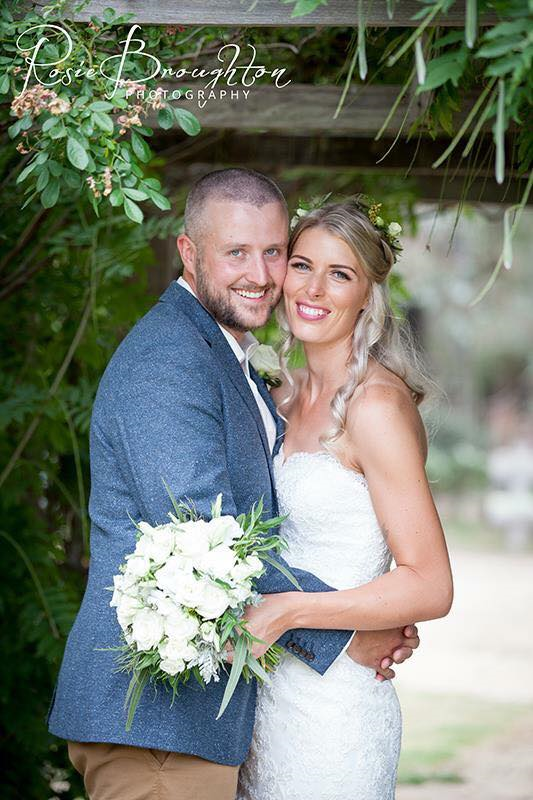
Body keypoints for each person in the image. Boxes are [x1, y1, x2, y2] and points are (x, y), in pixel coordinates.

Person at [47, 169, 420, 800]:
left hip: (215, 720)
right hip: (156, 721)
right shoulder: (169, 360)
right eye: (236, 252)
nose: (260, 274)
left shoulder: (229, 354)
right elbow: (206, 534)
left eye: (273, 252)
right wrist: (347, 631)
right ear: (188, 253)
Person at [237, 200, 453, 800]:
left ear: (367, 295)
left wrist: (288, 612)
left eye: (340, 274)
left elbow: (430, 585)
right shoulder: (277, 396)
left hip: (335, 719)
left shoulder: (376, 407)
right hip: (263, 703)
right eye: (302, 265)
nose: (313, 289)